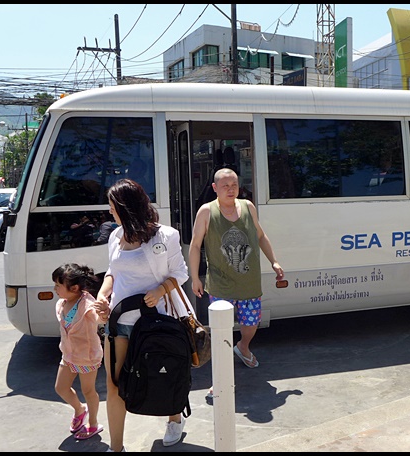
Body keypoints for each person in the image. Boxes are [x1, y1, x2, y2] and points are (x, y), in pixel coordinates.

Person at [93, 178, 190, 452]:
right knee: (114, 385)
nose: (110, 212)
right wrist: (103, 293)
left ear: (126, 207)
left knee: (165, 374)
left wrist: (160, 289)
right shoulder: (115, 236)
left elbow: (180, 273)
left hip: (157, 322)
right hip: (120, 321)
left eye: (113, 207)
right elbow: (113, 271)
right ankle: (116, 448)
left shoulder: (166, 235)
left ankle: (174, 418)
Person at [189, 168, 284, 375]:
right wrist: (195, 277)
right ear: (215, 188)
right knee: (221, 330)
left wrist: (274, 262)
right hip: (220, 283)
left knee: (251, 325)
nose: (230, 190)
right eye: (225, 186)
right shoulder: (206, 211)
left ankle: (243, 346)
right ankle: (221, 377)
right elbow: (195, 245)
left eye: (234, 185)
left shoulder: (248, 207)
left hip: (249, 282)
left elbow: (260, 236)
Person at [52, 263, 104, 441]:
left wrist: (104, 313)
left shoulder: (87, 304)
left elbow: (98, 318)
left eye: (58, 285)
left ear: (74, 288)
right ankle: (80, 409)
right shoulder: (63, 302)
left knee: (88, 391)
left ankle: (94, 424)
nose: (55, 289)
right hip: (68, 355)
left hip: (87, 357)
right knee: (61, 387)